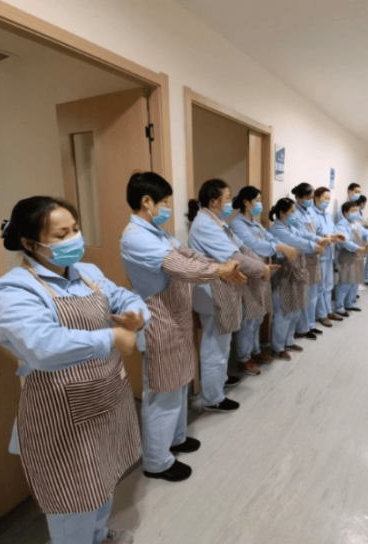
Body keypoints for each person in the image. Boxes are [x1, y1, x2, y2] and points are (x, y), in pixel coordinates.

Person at [0, 197, 149, 544]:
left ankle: (99, 536)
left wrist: (137, 314)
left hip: (106, 398)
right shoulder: (14, 288)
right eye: (61, 235)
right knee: (74, 497)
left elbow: (123, 297)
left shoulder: (87, 273)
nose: (73, 239)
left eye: (75, 230)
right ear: (31, 243)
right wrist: (110, 337)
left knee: (103, 481)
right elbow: (42, 345)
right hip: (61, 413)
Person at [120, 172, 245, 483]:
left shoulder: (157, 232)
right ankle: (156, 461)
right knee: (162, 391)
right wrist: (218, 271)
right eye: (163, 202)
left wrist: (216, 267)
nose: (167, 208)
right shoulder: (135, 237)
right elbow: (178, 267)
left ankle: (174, 440)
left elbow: (186, 253)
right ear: (146, 201)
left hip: (175, 316)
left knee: (178, 385)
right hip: (157, 320)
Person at [187, 179, 270, 412]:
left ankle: (220, 380)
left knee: (222, 345)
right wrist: (262, 269)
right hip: (213, 294)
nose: (230, 202)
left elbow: (241, 247)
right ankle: (213, 398)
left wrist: (261, 264)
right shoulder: (204, 225)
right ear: (214, 201)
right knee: (215, 348)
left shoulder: (218, 222)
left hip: (224, 291)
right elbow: (235, 258)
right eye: (226, 198)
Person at [231, 186, 298, 372]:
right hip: (249, 275)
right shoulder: (237, 224)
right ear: (246, 202)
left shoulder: (256, 224)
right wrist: (279, 248)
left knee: (258, 317)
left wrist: (281, 246)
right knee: (249, 318)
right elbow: (254, 244)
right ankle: (244, 358)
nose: (260, 204)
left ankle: (255, 350)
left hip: (263, 273)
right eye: (257, 200)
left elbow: (269, 238)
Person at [289, 183, 335, 341]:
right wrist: (318, 241)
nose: (310, 201)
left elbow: (316, 230)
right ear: (299, 197)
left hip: (313, 256)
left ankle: (310, 324)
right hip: (303, 256)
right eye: (308, 198)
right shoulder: (294, 213)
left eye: (311, 197)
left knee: (313, 293)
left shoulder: (309, 212)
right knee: (305, 294)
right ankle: (302, 328)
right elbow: (301, 234)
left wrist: (327, 237)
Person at [268, 198, 311, 359]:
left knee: (295, 309)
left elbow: (305, 237)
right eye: (292, 212)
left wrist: (318, 241)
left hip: (296, 273)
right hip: (284, 274)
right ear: (282, 213)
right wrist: (314, 245)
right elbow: (298, 243)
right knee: (283, 311)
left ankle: (289, 341)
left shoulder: (291, 227)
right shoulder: (277, 230)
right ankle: (278, 347)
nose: (294, 215)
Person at [312, 187, 346, 327]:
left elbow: (332, 230)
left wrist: (337, 235)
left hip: (329, 254)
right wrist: (329, 237)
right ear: (316, 198)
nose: (327, 201)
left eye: (329, 199)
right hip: (319, 255)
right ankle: (321, 314)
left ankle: (328, 311)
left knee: (328, 285)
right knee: (320, 286)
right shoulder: (311, 214)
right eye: (325, 198)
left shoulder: (327, 214)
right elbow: (315, 234)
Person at [334, 201, 368, 316]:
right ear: (345, 212)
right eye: (352, 211)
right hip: (346, 257)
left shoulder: (357, 224)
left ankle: (350, 303)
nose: (355, 213)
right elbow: (345, 242)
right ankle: (339, 307)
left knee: (355, 281)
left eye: (356, 210)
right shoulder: (341, 226)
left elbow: (367, 233)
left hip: (358, 256)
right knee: (346, 282)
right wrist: (359, 248)